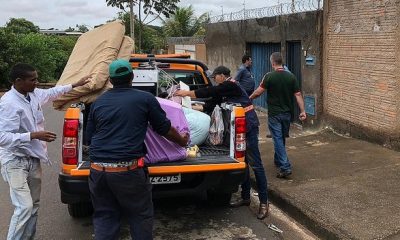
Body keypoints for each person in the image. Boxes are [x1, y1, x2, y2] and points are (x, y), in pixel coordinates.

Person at [86, 59, 188, 240]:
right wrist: (182, 141)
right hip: (127, 171)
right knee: (139, 215)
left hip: (97, 171)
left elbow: (88, 138)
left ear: (110, 80)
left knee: (105, 216)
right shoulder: (145, 98)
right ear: (132, 77)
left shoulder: (98, 103)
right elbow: (164, 128)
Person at [0, 63, 90, 240]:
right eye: (32, 80)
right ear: (19, 81)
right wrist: (33, 135)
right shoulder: (9, 103)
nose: (37, 82)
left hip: (32, 158)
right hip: (15, 160)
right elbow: (2, 138)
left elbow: (52, 93)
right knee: (24, 207)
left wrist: (75, 84)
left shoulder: (32, 94)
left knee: (33, 205)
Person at [175, 65, 269, 220]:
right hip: (236, 130)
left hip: (249, 127)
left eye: (215, 77)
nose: (214, 81)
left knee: (256, 164)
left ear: (222, 76)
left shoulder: (231, 85)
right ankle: (246, 197)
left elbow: (210, 92)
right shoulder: (224, 88)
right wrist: (189, 107)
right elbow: (212, 103)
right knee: (243, 162)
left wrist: (186, 93)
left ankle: (264, 203)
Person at [250, 52, 306, 178]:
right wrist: (302, 111)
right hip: (287, 114)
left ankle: (285, 167)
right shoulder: (291, 77)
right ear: (281, 62)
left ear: (273, 63)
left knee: (277, 139)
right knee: (281, 138)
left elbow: (259, 92)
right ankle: (278, 160)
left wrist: (249, 98)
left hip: (274, 114)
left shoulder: (269, 76)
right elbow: (298, 95)